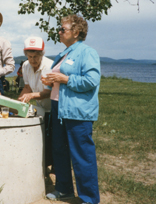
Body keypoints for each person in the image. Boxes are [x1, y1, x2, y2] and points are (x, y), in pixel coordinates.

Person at [42, 14, 101, 204]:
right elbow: (61, 83)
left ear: (76, 32)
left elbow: (91, 81)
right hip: (58, 108)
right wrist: (50, 82)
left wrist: (64, 79)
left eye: (62, 29)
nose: (59, 32)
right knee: (59, 150)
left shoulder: (87, 52)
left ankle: (89, 198)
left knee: (82, 155)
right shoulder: (65, 53)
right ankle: (64, 189)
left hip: (77, 112)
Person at [17, 36, 54, 171]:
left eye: (36, 57)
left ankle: (53, 168)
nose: (33, 60)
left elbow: (47, 92)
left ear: (42, 55)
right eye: (30, 56)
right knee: (40, 136)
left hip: (53, 106)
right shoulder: (26, 65)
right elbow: (27, 87)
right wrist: (17, 103)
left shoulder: (49, 66)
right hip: (40, 107)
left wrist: (31, 95)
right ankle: (41, 165)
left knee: (53, 138)